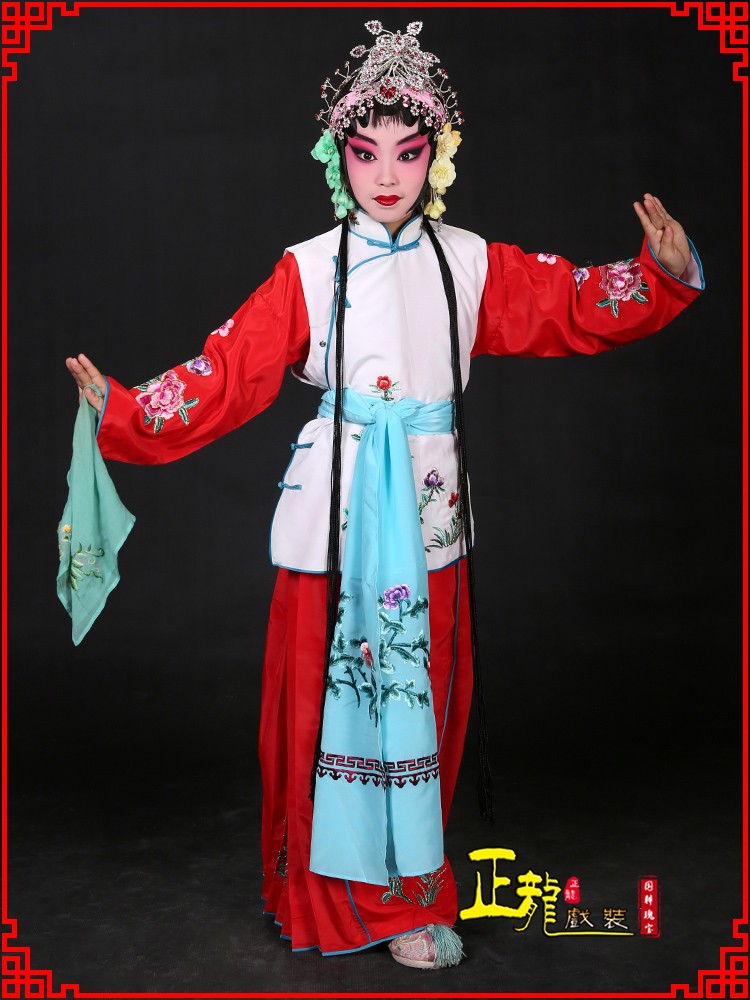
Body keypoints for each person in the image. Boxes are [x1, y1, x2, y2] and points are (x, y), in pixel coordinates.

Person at [64, 20, 704, 969]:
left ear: (437, 155)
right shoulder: (307, 268)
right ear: (340, 159)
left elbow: (570, 302)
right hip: (335, 518)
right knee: (320, 707)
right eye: (366, 154)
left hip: (427, 516)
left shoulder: (472, 262)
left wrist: (661, 273)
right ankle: (323, 898)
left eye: (409, 152)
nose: (388, 176)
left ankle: (408, 898)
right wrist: (127, 409)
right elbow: (228, 373)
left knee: (423, 697)